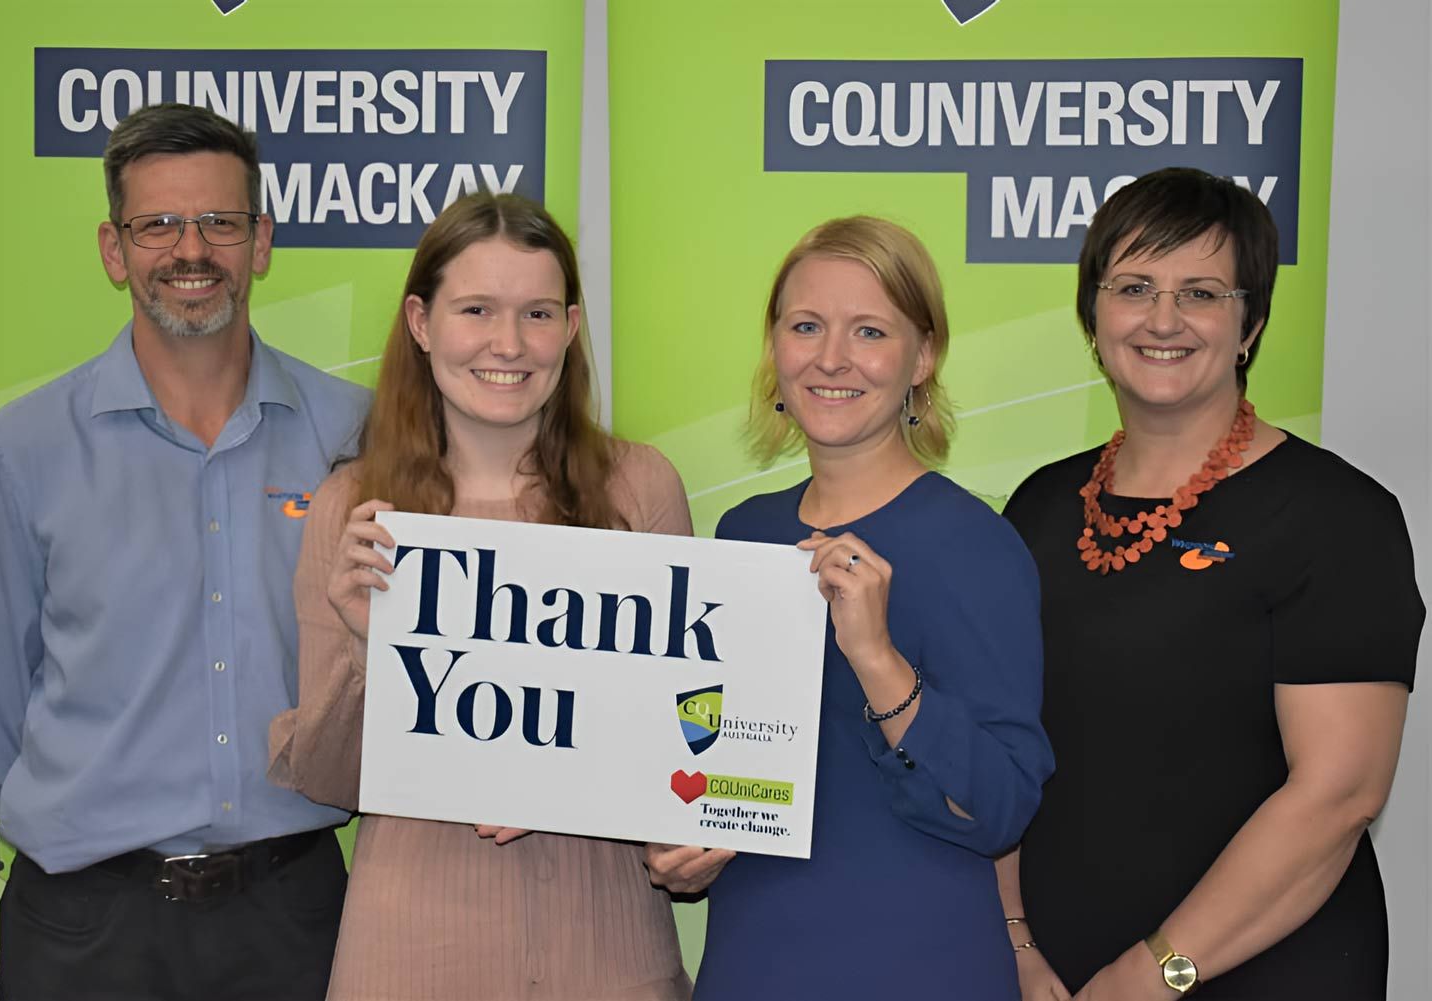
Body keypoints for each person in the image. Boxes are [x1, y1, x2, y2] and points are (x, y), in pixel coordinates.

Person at [0, 102, 368, 1001]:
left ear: (261, 241)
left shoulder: (353, 435)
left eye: (219, 221)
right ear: (112, 249)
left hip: (295, 918)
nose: (191, 251)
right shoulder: (21, 451)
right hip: (83, 927)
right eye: (157, 225)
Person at [997, 167, 1422, 1001]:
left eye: (1200, 291)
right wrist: (1012, 941)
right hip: (1054, 978)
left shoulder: (1336, 515)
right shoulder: (1040, 506)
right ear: (1093, 315)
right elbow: (1001, 742)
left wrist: (1158, 973)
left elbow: (1340, 794)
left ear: (1250, 323)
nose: (1163, 319)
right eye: (1134, 286)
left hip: (1261, 970)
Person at [267, 191, 694, 1000]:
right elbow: (329, 782)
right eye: (476, 310)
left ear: (570, 329)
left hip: (607, 957)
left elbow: (686, 735)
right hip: (414, 956)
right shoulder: (357, 510)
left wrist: (579, 782)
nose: (509, 343)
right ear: (422, 324)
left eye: (537, 313)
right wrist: (368, 648)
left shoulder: (640, 489)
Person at [646, 216, 1053, 999]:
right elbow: (712, 749)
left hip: (918, 968)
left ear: (923, 355)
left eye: (869, 330)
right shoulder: (745, 531)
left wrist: (877, 657)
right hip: (754, 959)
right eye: (806, 327)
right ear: (775, 348)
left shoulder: (978, 544)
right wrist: (681, 838)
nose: (831, 358)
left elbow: (1002, 809)